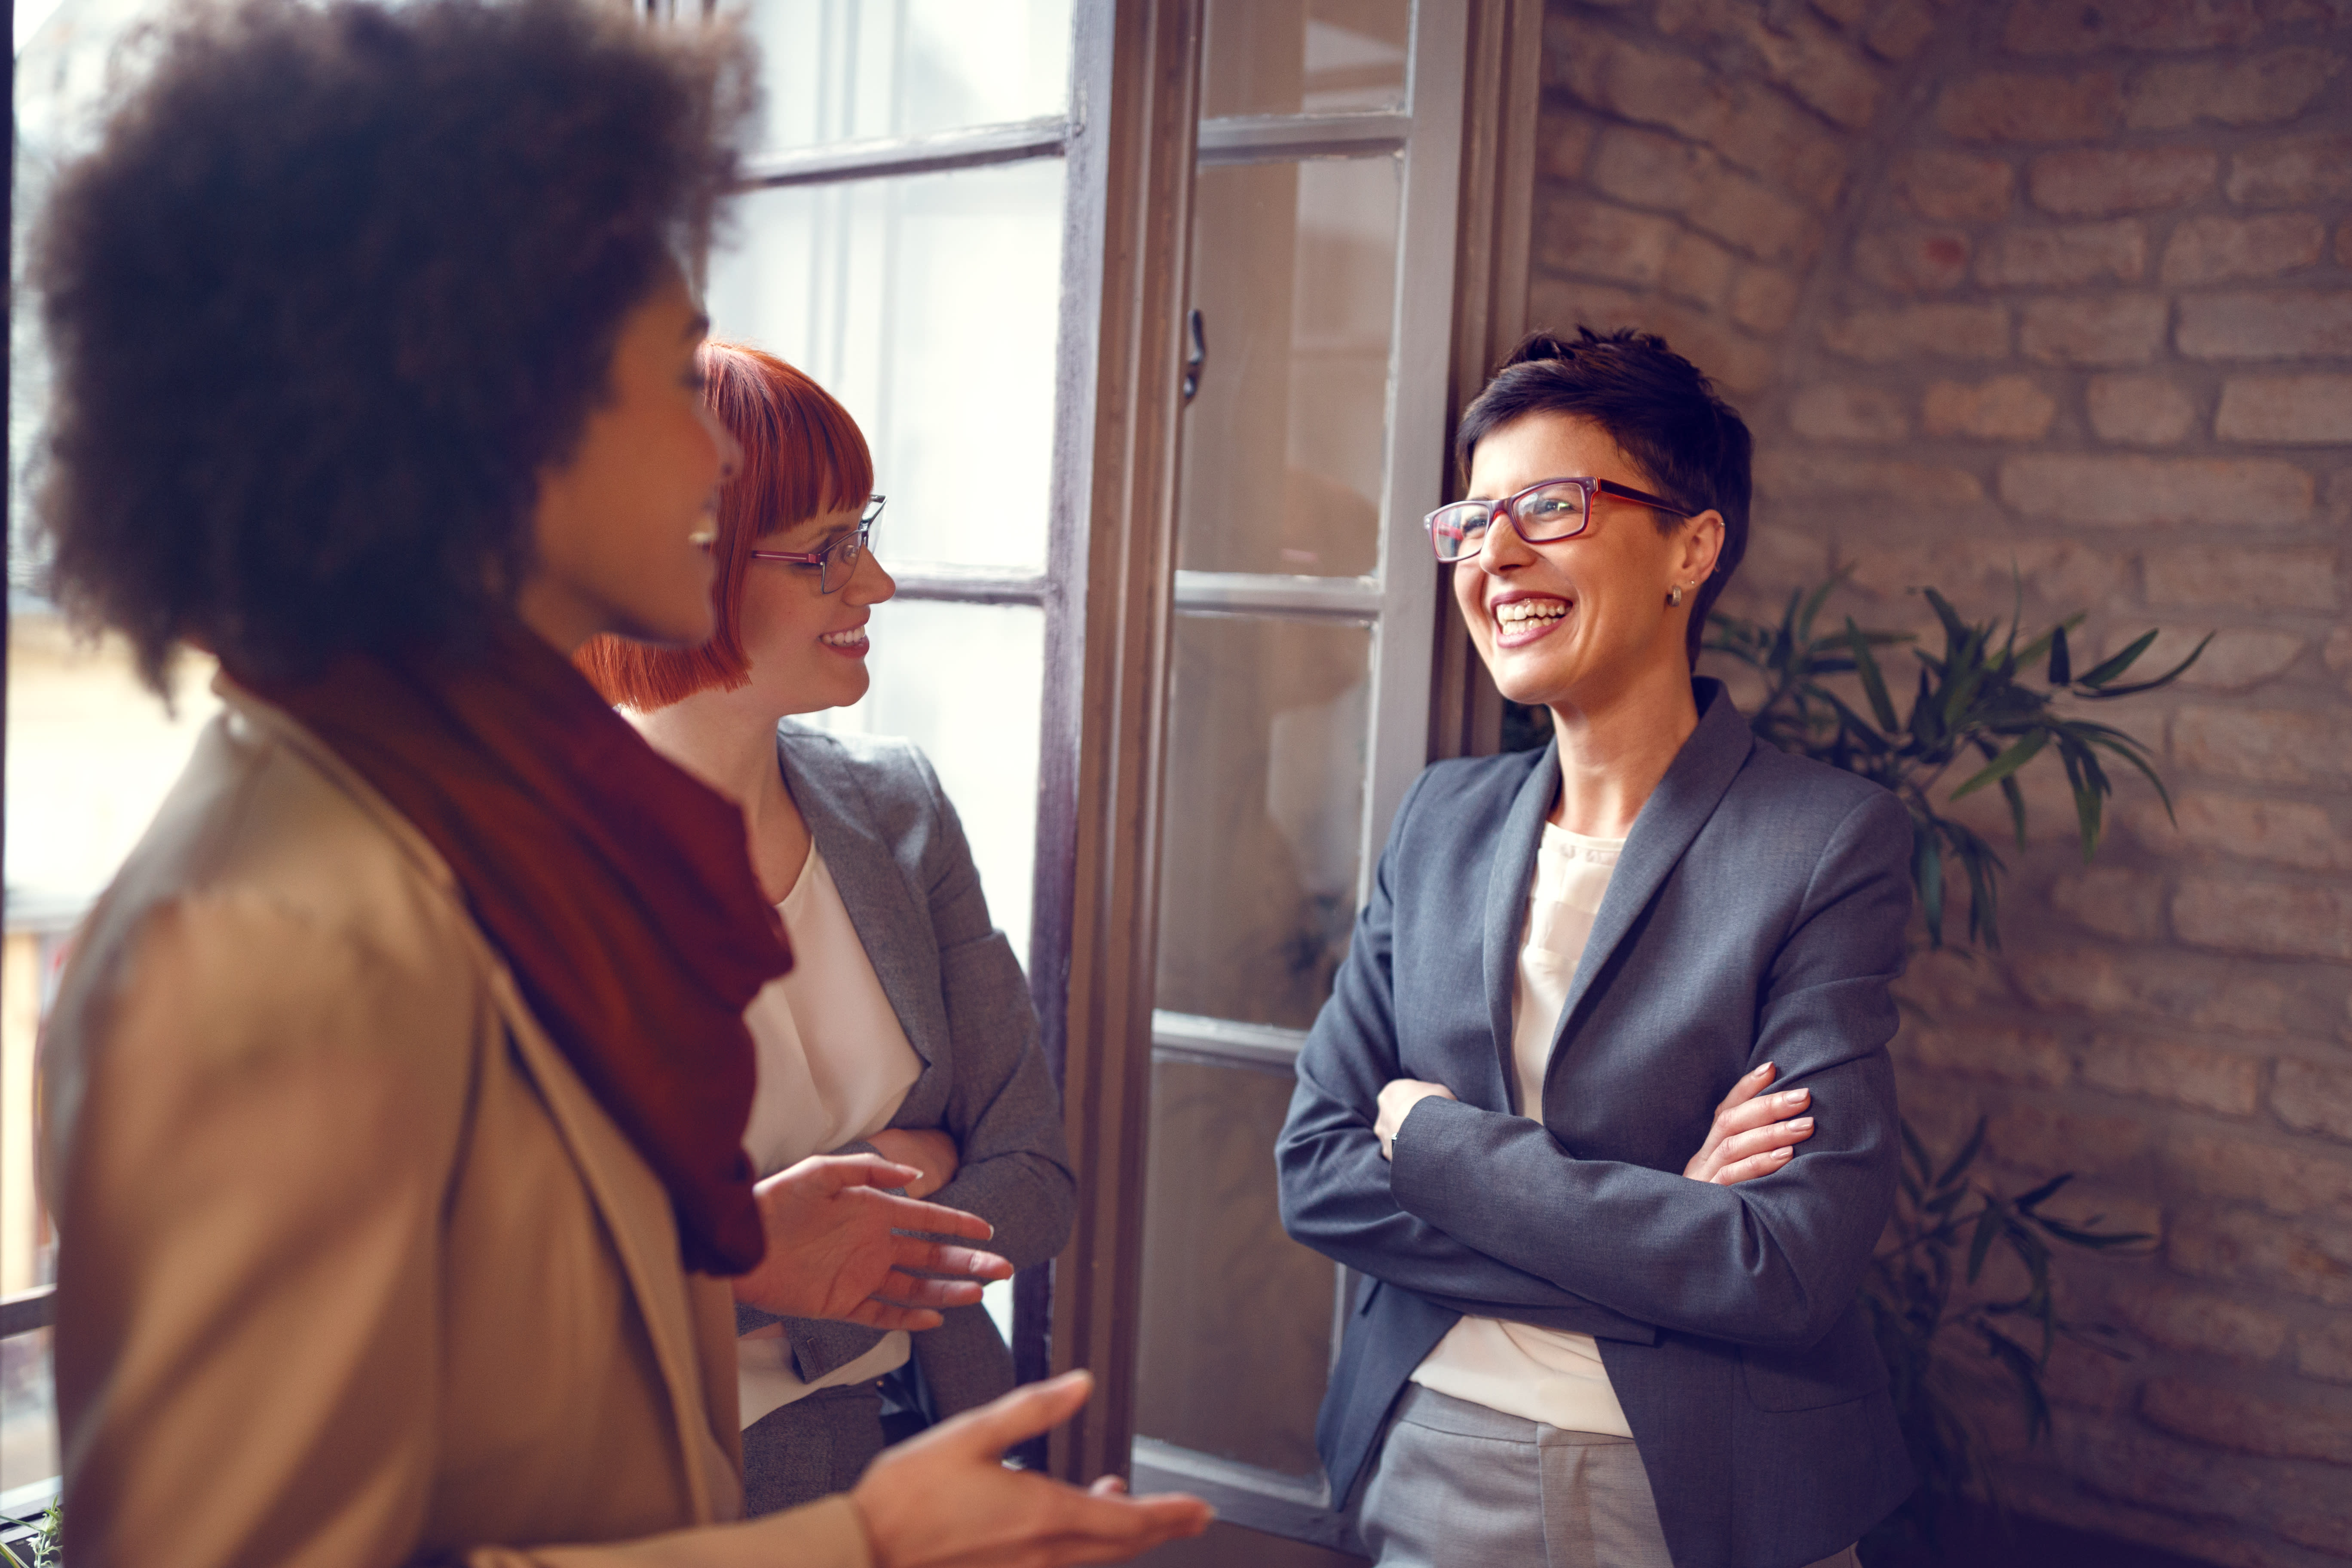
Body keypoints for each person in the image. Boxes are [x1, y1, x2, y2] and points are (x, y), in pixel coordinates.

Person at [29, 2, 1209, 1565]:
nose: (721, 465)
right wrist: (859, 1543)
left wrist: (716, 1254)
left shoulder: (472, 828)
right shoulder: (271, 934)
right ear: (479, 422)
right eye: (666, 380)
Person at [1275, 328, 1915, 1568]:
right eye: (1471, 520)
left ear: (1693, 545)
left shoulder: (1827, 843)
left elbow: (1786, 1266)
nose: (1497, 554)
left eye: (1550, 507)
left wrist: (1442, 1147)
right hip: (1426, 1451)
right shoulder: (1440, 820)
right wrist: (1672, 1220)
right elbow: (1319, 1168)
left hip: (1698, 1484)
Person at [576, 343, 1075, 1513]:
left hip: (931, 1452)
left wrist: (808, 1239)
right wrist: (765, 1257)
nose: (879, 584)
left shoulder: (898, 806)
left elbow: (1038, 1179)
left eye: (867, 532)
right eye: (828, 552)